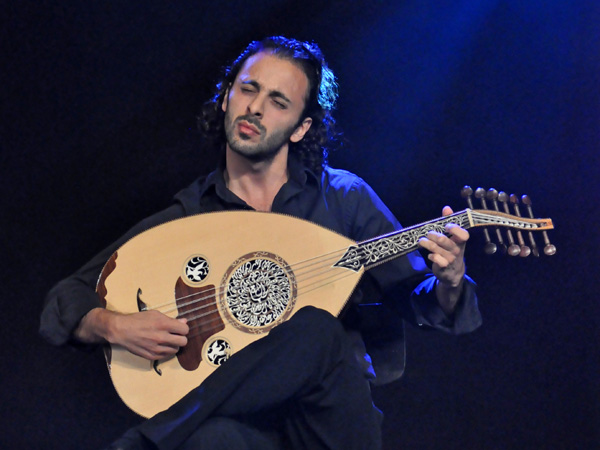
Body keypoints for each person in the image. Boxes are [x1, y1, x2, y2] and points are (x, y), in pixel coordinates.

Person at [40, 36, 482, 449]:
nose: (255, 108)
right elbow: (66, 298)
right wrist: (112, 325)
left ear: (300, 128)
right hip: (243, 428)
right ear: (227, 96)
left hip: (329, 422)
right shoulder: (191, 216)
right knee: (210, 440)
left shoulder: (343, 198)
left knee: (317, 328)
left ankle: (143, 444)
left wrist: (450, 280)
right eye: (248, 89)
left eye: (278, 101)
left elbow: (420, 299)